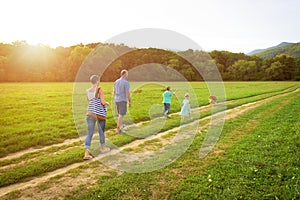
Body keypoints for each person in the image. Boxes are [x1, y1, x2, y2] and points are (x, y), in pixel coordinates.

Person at [84, 75, 110, 160]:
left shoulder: (87, 91)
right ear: (97, 81)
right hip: (99, 115)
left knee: (90, 133)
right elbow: (102, 102)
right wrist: (107, 103)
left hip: (90, 114)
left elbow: (89, 102)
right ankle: (102, 148)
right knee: (101, 131)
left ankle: (86, 154)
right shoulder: (99, 90)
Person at [114, 69, 131, 133]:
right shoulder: (126, 82)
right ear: (125, 74)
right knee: (121, 115)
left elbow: (114, 91)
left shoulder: (116, 81)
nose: (127, 75)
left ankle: (120, 125)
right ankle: (118, 129)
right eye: (127, 74)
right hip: (122, 100)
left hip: (117, 99)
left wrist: (115, 98)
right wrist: (130, 101)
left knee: (120, 114)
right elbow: (127, 93)